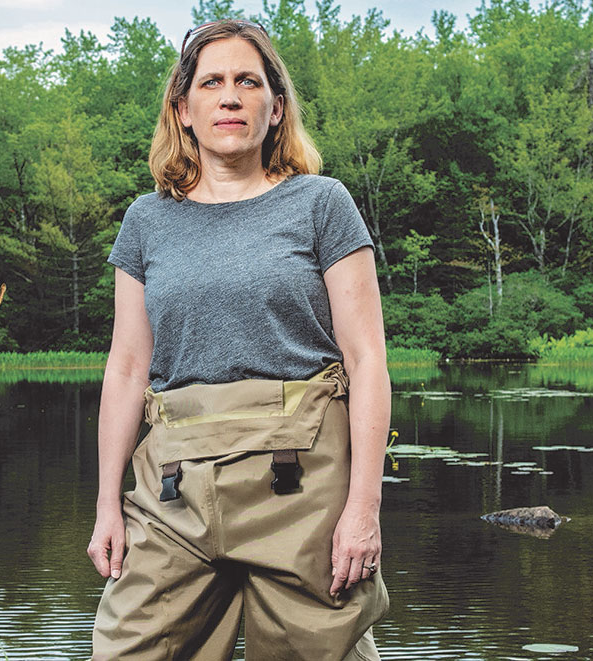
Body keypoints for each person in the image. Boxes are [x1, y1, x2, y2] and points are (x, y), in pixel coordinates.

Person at [87, 18, 390, 660]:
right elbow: (127, 367)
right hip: (173, 490)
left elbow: (366, 361)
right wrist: (106, 505)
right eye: (213, 82)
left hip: (303, 484)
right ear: (184, 109)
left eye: (248, 82)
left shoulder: (321, 203)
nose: (230, 96)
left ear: (275, 109)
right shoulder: (146, 222)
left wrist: (363, 508)